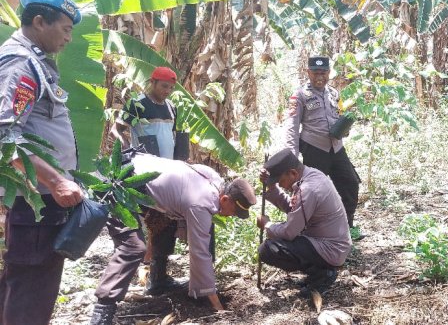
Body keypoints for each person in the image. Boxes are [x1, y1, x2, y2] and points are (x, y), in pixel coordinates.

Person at [89, 153, 256, 324]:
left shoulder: (214, 179)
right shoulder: (201, 202)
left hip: (137, 176)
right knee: (132, 248)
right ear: (225, 198)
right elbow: (199, 253)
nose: (232, 216)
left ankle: (158, 281)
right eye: (234, 211)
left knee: (168, 221)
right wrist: (217, 305)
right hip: (117, 183)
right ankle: (102, 313)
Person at [0, 0, 83, 324]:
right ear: (38, 22)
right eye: (64, 28)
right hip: (37, 203)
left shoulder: (34, 61)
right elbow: (5, 138)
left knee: (24, 290)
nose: (69, 37)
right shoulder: (21, 63)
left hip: (43, 201)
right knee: (31, 295)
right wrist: (57, 180)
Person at [107, 66, 187, 299]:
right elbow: (117, 128)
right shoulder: (137, 104)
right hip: (146, 169)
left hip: (168, 171)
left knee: (165, 221)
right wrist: (125, 146)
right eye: (164, 86)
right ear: (152, 82)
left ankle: (158, 276)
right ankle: (148, 276)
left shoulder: (171, 107)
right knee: (148, 220)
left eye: (171, 88)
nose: (167, 91)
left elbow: (173, 136)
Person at [257, 149, 352, 296]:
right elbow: (294, 209)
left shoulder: (309, 189)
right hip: (329, 244)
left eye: (280, 181)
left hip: (330, 249)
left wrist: (267, 225)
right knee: (277, 237)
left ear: (293, 173)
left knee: (268, 250)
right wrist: (272, 186)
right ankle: (318, 272)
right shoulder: (312, 175)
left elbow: (289, 232)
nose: (281, 185)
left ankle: (323, 274)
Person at [284, 56, 361, 237]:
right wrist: (291, 156)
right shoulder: (299, 96)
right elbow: (292, 126)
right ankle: (311, 231)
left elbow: (339, 115)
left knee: (350, 184)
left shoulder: (334, 93)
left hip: (337, 149)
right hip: (314, 149)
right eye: (316, 73)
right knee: (313, 192)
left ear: (329, 73)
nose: (320, 77)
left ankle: (347, 227)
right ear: (308, 73)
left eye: (324, 73)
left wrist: (345, 128)